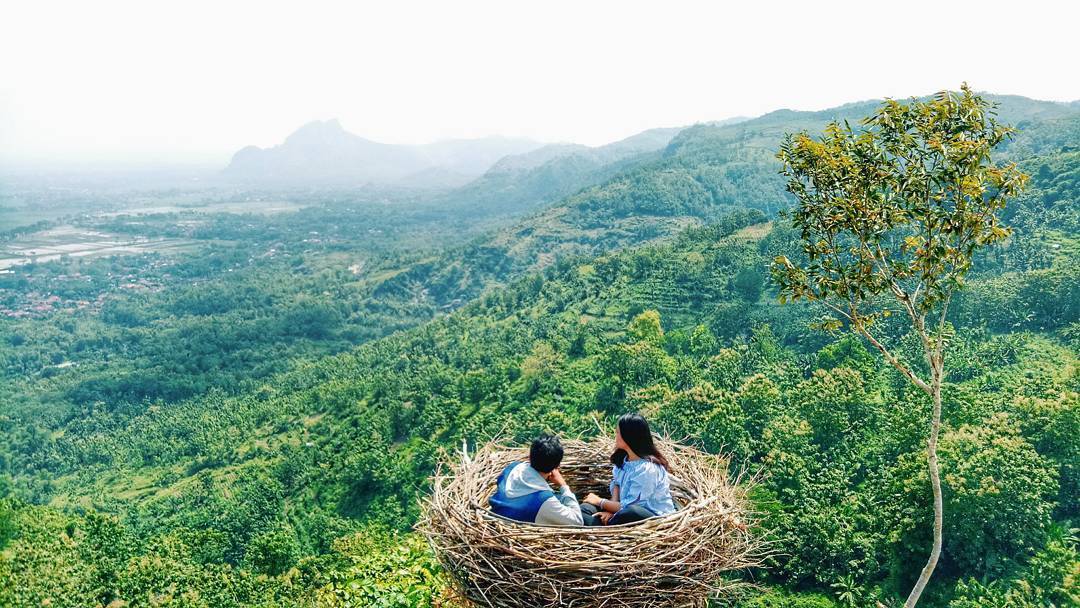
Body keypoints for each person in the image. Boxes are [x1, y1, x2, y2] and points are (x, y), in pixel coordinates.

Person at [581, 413, 676, 525]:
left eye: (617, 432)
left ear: (628, 436)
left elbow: (632, 506)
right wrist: (609, 509)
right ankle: (605, 527)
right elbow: (617, 485)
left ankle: (603, 527)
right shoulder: (623, 460)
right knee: (585, 509)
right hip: (622, 511)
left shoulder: (647, 469)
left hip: (652, 517)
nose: (615, 436)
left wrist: (600, 502)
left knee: (630, 512)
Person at [489, 434, 585, 526]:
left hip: (497, 519)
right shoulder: (544, 500)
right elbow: (578, 521)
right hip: (520, 532)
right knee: (585, 512)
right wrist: (563, 485)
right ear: (557, 467)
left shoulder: (511, 468)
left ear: (530, 457)